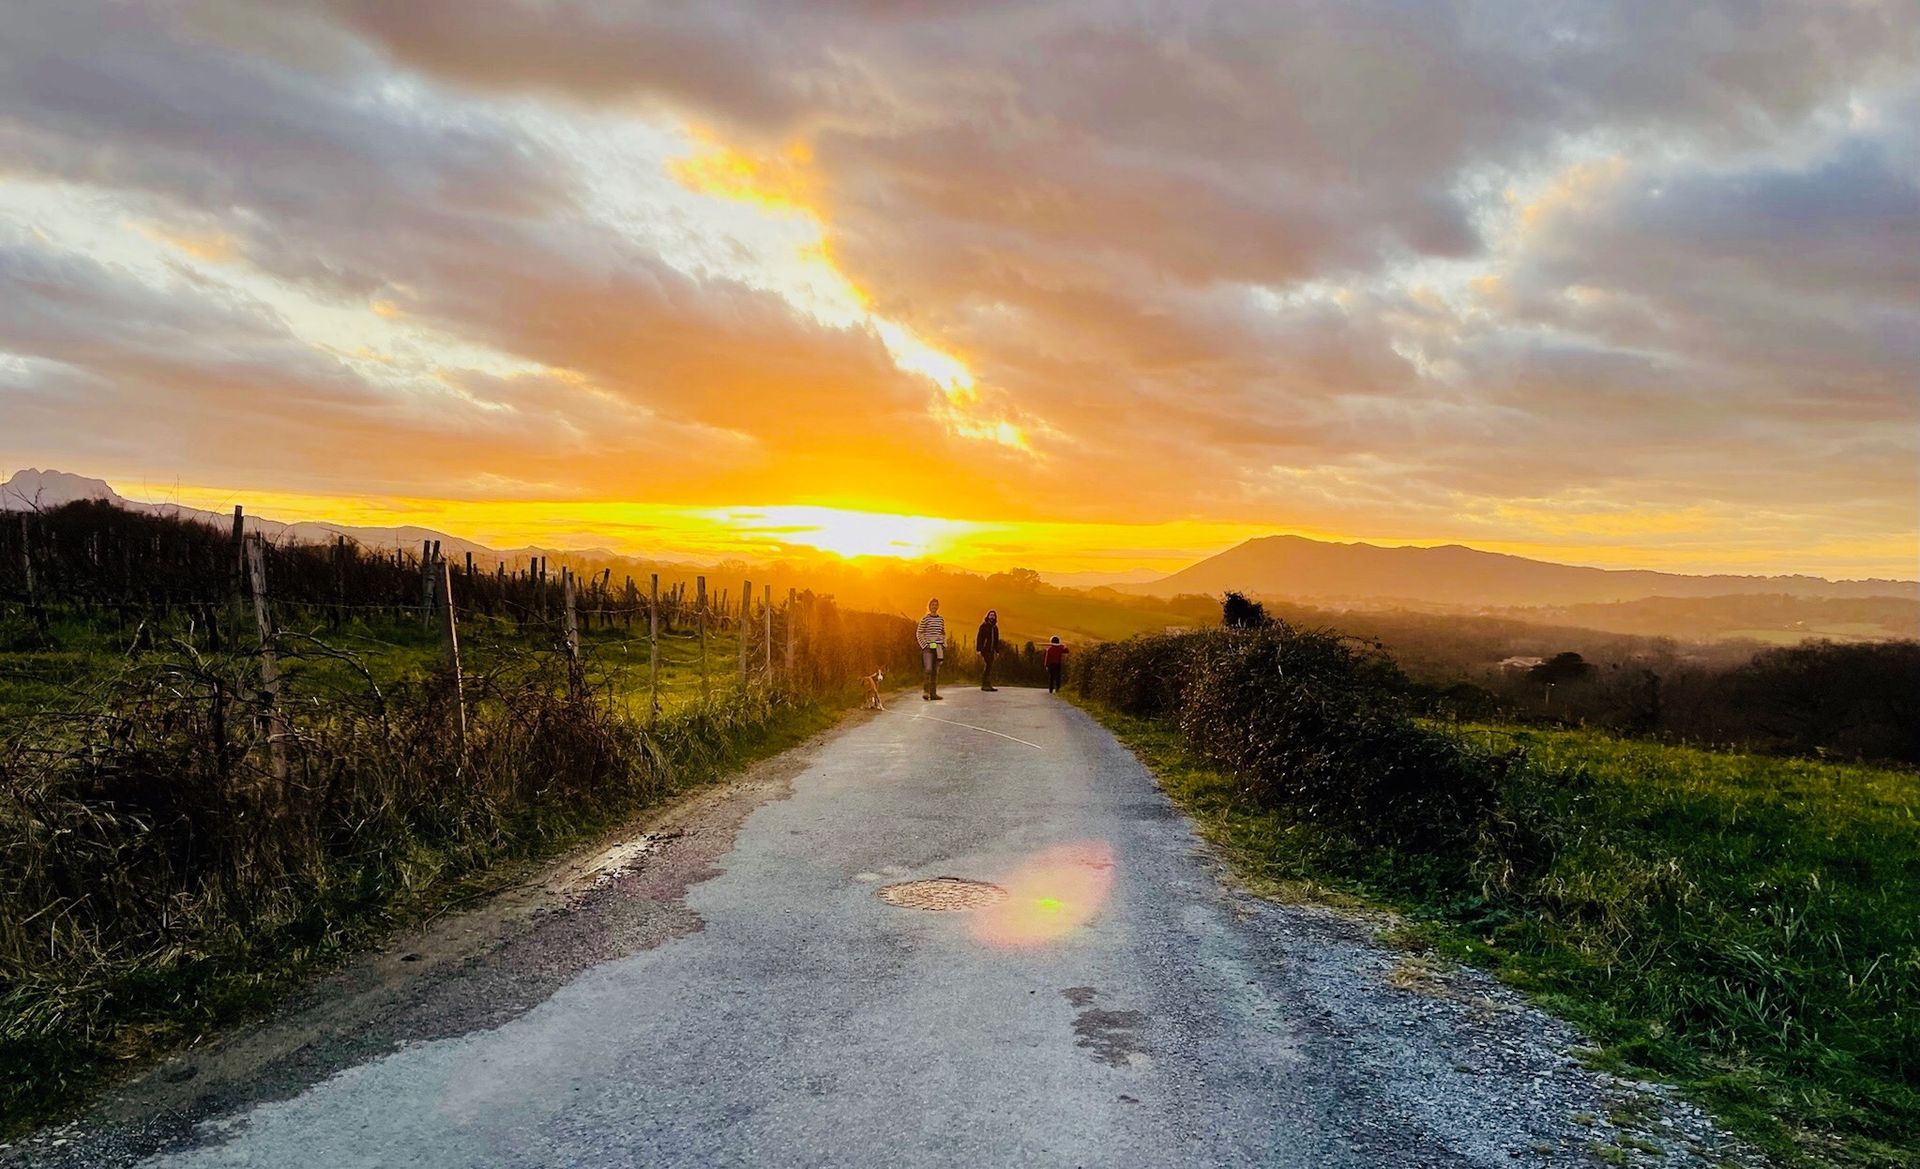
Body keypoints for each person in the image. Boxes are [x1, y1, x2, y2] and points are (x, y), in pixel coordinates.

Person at [916, 598, 946, 700]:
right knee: (928, 669)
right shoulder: (925, 619)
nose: (934, 607)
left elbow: (942, 632)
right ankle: (926, 692)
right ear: (929, 606)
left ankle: (933, 693)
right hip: (928, 647)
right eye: (933, 605)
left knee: (935, 672)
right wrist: (924, 644)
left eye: (936, 605)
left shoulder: (941, 619)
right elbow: (919, 632)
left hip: (937, 647)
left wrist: (943, 644)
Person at [975, 609, 1002, 692]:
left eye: (993, 615)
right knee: (987, 666)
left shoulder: (995, 628)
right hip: (985, 649)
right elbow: (979, 637)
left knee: (989, 667)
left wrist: (997, 651)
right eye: (991, 615)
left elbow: (996, 640)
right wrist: (979, 649)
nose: (992, 617)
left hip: (991, 650)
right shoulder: (983, 626)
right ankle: (984, 684)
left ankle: (988, 684)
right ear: (988, 616)